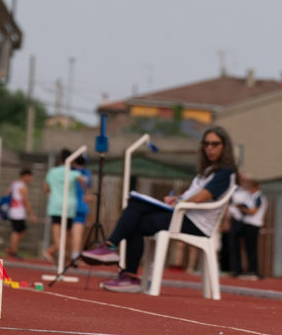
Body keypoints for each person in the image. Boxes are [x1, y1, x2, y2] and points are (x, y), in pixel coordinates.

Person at [83, 125, 237, 292]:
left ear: (225, 146)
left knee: (135, 210)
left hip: (196, 224)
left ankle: (111, 249)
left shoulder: (225, 172)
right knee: (135, 213)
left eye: (215, 144)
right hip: (184, 216)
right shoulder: (207, 171)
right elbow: (191, 196)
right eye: (206, 144)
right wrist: (177, 199)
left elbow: (200, 198)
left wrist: (180, 202)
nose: (210, 148)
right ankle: (126, 272)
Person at [44, 150, 79, 262]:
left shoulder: (52, 172)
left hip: (56, 206)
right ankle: (60, 255)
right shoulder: (73, 173)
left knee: (58, 234)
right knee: (66, 234)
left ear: (60, 159)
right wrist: (86, 194)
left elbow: (46, 188)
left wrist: (52, 195)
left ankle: (55, 252)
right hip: (69, 206)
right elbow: (83, 180)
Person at [228, 174, 266, 279]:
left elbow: (252, 211)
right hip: (247, 224)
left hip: (253, 224)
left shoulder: (259, 197)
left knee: (252, 249)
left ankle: (254, 270)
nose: (249, 189)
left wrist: (240, 208)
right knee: (248, 248)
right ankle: (249, 270)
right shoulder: (251, 197)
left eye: (250, 187)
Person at [7, 167, 34, 258]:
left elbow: (8, 193)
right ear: (25, 176)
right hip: (18, 213)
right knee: (17, 231)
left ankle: (12, 248)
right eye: (30, 176)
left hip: (13, 211)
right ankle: (13, 250)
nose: (30, 179)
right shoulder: (23, 187)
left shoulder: (14, 183)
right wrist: (31, 215)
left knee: (22, 231)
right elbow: (25, 201)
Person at [71, 155, 94, 260]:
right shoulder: (87, 173)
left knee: (66, 233)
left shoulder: (69, 171)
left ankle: (60, 253)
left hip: (68, 205)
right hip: (81, 205)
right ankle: (75, 256)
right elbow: (87, 188)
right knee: (78, 234)